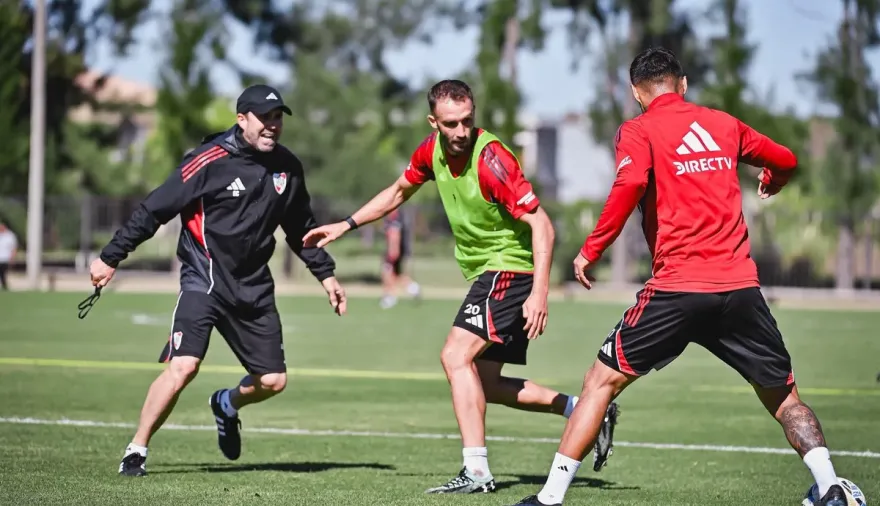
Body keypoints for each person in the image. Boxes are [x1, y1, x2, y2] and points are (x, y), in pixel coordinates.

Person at [510, 47, 849, 506]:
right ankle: (830, 486)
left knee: (599, 383)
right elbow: (786, 158)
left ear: (636, 92)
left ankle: (550, 498)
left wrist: (590, 250)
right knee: (786, 399)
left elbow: (629, 185)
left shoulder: (638, 130)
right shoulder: (724, 124)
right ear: (683, 84)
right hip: (739, 289)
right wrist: (774, 178)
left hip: (678, 289)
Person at [303, 79, 618, 495]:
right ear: (434, 121)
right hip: (491, 272)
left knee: (454, 355)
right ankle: (585, 412)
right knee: (483, 382)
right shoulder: (429, 153)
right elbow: (399, 191)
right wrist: (345, 225)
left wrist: (541, 292)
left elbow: (541, 223)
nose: (461, 131)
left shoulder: (493, 160)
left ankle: (477, 472)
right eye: (451, 123)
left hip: (509, 269)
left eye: (467, 121)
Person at [89, 84, 347, 477]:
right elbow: (154, 208)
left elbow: (300, 228)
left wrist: (325, 275)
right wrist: (111, 258)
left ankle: (226, 404)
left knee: (274, 381)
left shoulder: (288, 167)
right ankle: (136, 450)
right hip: (204, 279)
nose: (273, 126)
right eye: (265, 118)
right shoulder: (208, 160)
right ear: (242, 119)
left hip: (254, 287)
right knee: (184, 366)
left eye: (278, 118)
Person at [379, 208, 421, 309]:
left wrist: (393, 252)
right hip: (396, 251)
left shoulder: (394, 219)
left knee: (387, 273)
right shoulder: (394, 218)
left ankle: (390, 297)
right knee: (395, 275)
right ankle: (413, 288)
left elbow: (395, 236)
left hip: (394, 251)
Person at [0, 222, 16, 290]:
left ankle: (4, 286)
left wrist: (12, 258)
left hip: (5, 258)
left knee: (3, 273)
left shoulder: (10, 236)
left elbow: (13, 248)